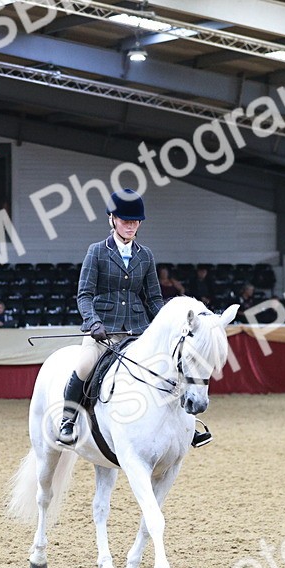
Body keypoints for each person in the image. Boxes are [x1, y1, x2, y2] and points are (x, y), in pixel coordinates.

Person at [57, 189, 211, 448]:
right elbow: (84, 295)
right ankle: (68, 420)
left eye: (135, 221)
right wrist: (93, 322)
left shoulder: (145, 255)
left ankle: (186, 425)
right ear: (112, 220)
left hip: (140, 329)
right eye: (125, 220)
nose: (130, 225)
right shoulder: (97, 252)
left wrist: (169, 324)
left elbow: (153, 299)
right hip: (103, 330)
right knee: (84, 365)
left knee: (170, 366)